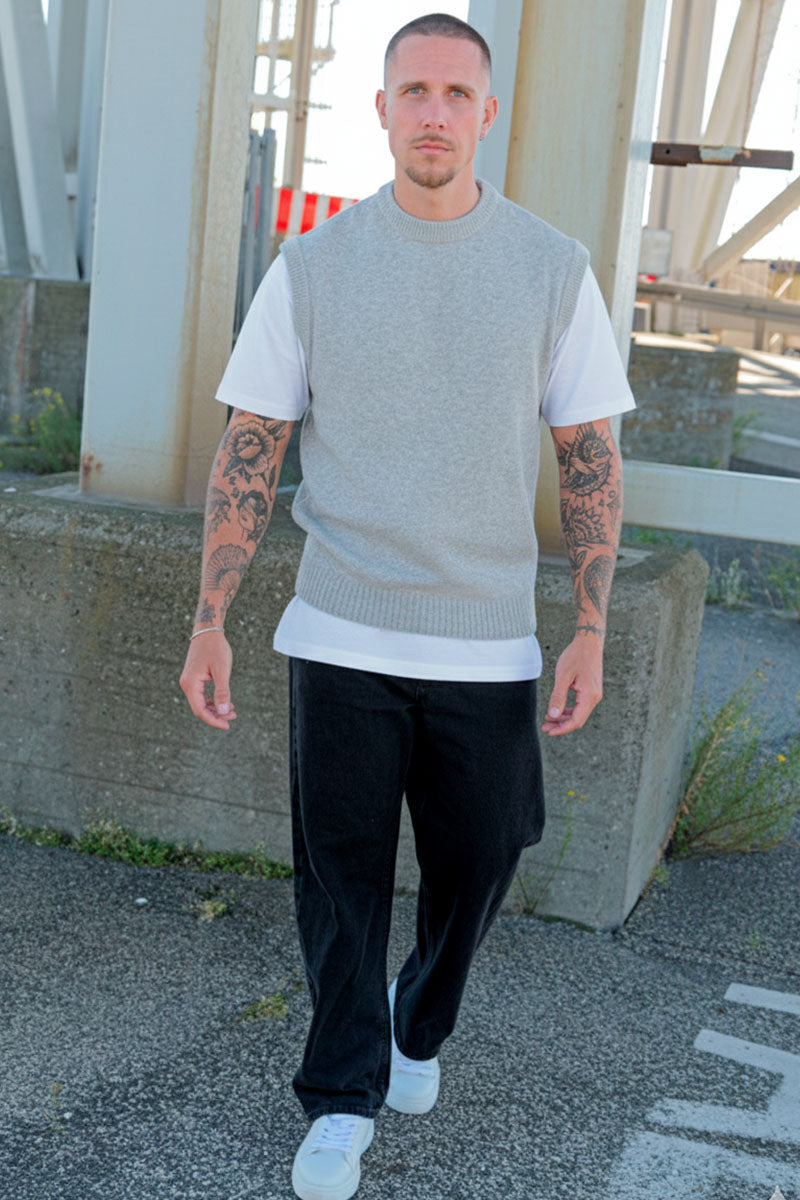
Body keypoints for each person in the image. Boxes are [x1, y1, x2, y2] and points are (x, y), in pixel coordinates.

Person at [180, 12, 635, 1200]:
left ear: (486, 115)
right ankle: (340, 1098)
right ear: (380, 110)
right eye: (413, 92)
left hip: (486, 638)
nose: (433, 113)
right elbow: (250, 445)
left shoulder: (548, 268)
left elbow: (587, 456)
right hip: (339, 627)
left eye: (454, 94)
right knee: (338, 882)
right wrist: (209, 618)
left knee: (483, 858)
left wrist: (588, 628)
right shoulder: (313, 266)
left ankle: (415, 1020)